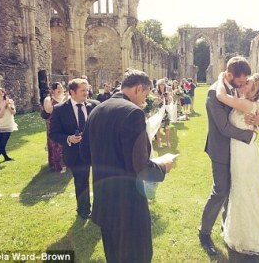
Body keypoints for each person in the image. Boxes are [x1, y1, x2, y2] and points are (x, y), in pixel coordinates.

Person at [80, 69, 174, 263]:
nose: (144, 101)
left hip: (104, 198)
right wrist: (163, 166)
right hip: (128, 203)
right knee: (138, 255)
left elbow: (84, 155)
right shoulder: (133, 113)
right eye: (146, 95)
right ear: (139, 88)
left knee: (113, 255)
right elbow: (141, 168)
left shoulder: (96, 110)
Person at [215, 72, 259, 254]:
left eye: (247, 83)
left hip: (242, 151)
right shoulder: (254, 104)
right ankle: (249, 225)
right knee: (248, 186)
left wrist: (219, 79)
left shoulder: (246, 103)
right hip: (247, 150)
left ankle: (248, 234)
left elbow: (220, 96)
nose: (243, 83)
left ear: (254, 89)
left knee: (242, 186)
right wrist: (258, 124)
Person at [199, 56, 259, 256]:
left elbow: (252, 114)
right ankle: (204, 233)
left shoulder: (235, 88)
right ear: (229, 75)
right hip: (221, 150)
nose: (244, 85)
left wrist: (257, 121)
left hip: (238, 151)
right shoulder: (213, 94)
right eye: (241, 81)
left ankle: (228, 227)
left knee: (233, 190)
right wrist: (250, 135)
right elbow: (224, 127)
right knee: (220, 191)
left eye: (246, 82)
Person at [49, 78, 100, 219]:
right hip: (75, 153)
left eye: (87, 89)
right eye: (83, 90)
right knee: (81, 182)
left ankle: (100, 209)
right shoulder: (60, 109)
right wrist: (68, 139)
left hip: (96, 152)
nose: (87, 92)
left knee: (100, 181)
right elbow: (53, 133)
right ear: (72, 91)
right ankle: (83, 211)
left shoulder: (95, 106)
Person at [0, 87, 18, 167]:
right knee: (0, 144)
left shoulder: (10, 101)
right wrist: (4, 105)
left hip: (8, 124)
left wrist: (8, 105)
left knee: (2, 144)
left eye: (2, 91)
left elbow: (13, 112)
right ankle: (6, 157)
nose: (1, 93)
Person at [43, 82, 67, 173]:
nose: (61, 89)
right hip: (52, 123)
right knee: (55, 143)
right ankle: (56, 164)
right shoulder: (48, 99)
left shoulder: (65, 97)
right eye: (58, 88)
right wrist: (63, 102)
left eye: (61, 87)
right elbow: (48, 110)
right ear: (53, 90)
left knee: (64, 143)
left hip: (63, 123)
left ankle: (66, 162)